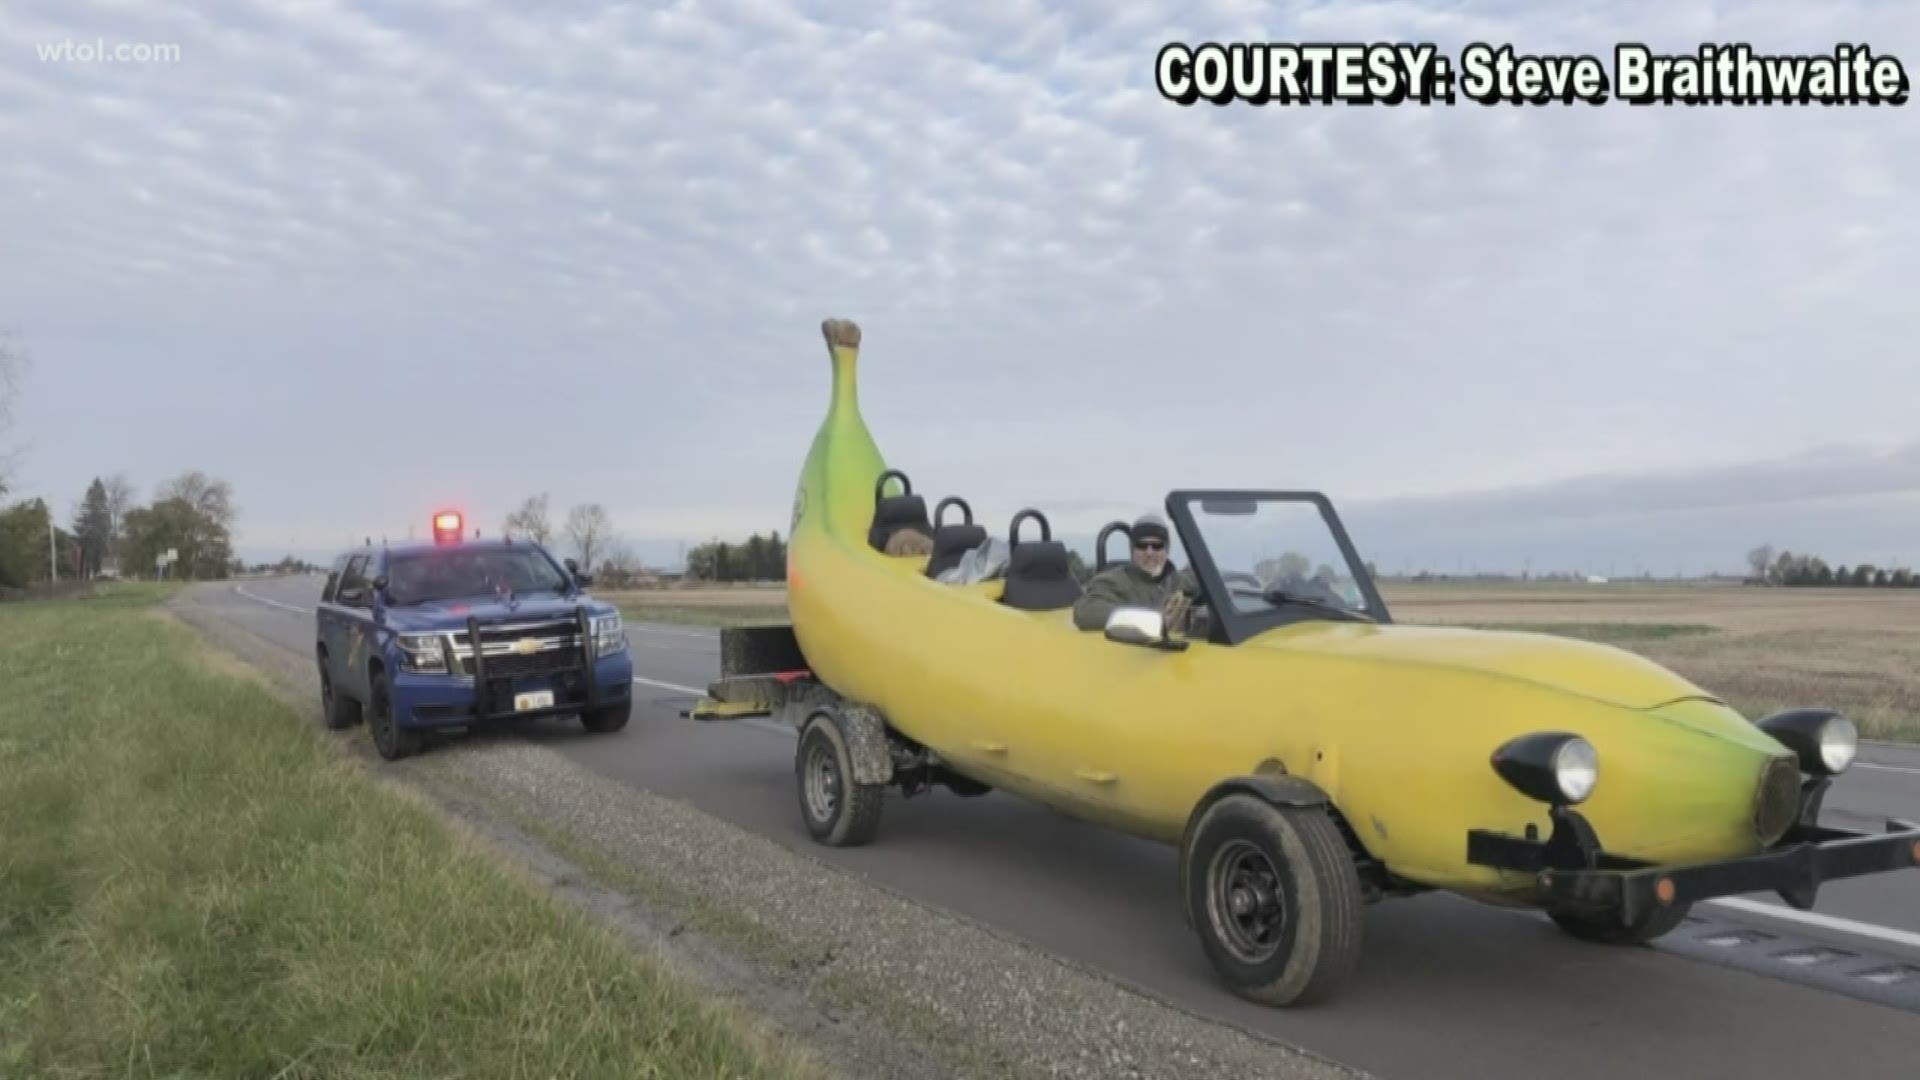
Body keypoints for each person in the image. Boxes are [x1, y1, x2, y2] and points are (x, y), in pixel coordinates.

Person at [1072, 512, 1198, 632]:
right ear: (1132, 550)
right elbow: (1085, 613)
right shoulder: (1111, 581)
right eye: (1142, 546)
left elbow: (1205, 581)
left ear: (1167, 550)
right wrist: (1153, 620)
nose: (1149, 552)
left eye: (1157, 546)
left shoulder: (1178, 580)